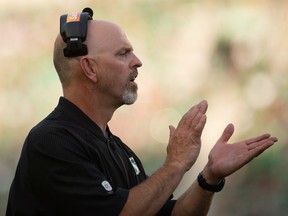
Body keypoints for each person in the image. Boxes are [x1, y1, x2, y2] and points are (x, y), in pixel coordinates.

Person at [6, 8, 278, 216]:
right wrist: (175, 164)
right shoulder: (52, 142)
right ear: (90, 68)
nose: (137, 62)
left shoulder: (115, 148)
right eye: (123, 53)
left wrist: (209, 177)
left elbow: (165, 212)